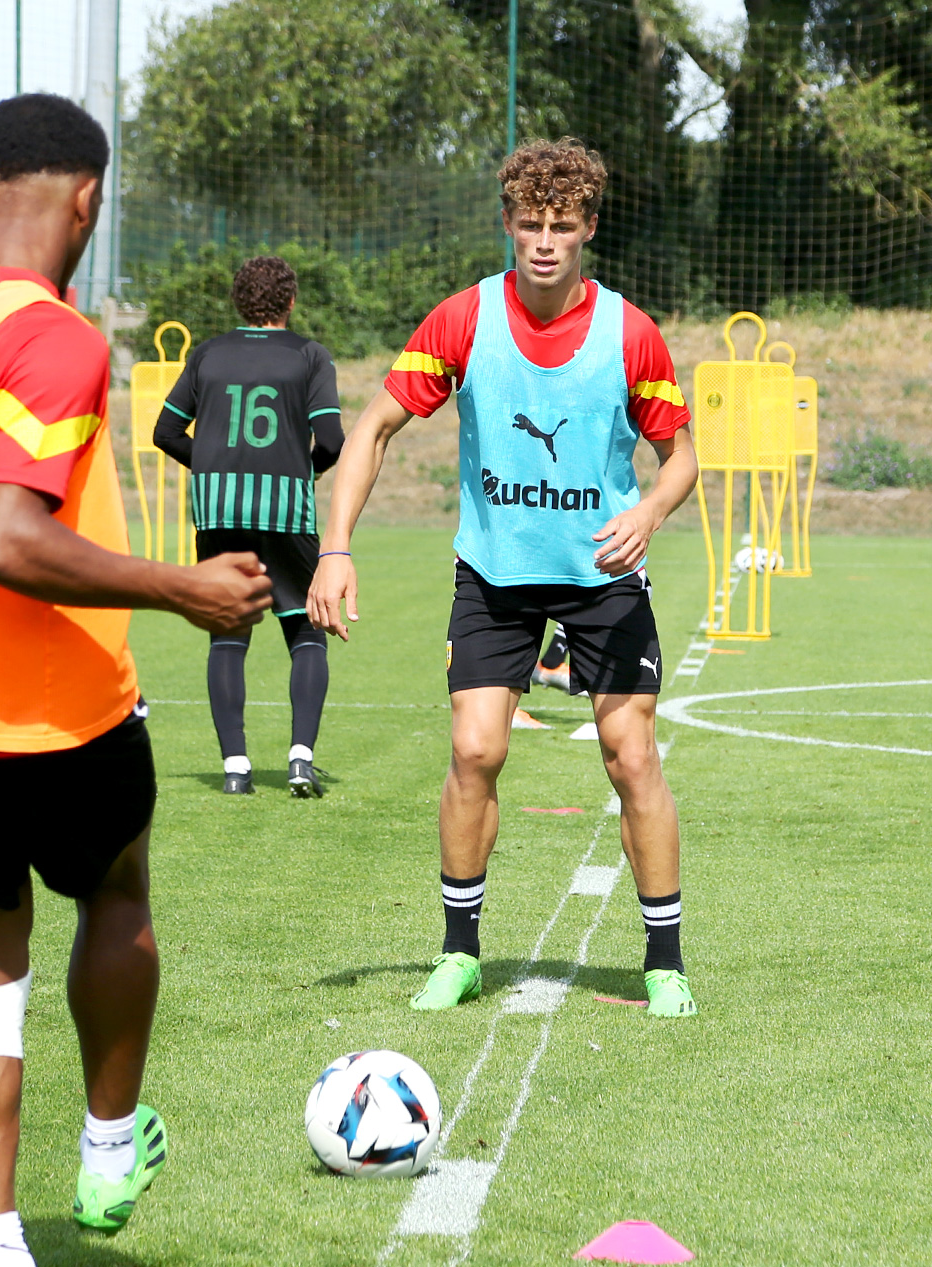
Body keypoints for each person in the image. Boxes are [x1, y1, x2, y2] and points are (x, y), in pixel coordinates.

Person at [0, 94, 271, 1267]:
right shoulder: (53, 334)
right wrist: (177, 586)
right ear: (89, 198)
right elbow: (6, 540)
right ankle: (105, 1138)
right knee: (117, 890)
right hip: (52, 708)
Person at [307, 138, 701, 1019]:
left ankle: (664, 959)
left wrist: (646, 514)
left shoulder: (629, 331)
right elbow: (371, 428)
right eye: (531, 223)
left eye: (564, 225)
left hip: (600, 573)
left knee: (631, 756)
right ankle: (458, 953)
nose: (546, 240)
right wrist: (335, 545)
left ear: (589, 229)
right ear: (508, 224)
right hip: (494, 572)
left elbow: (680, 460)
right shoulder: (463, 320)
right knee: (476, 749)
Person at [154, 256, 345, 797]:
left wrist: (214, 462)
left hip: (216, 511)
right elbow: (331, 440)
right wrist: (298, 470)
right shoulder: (310, 355)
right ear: (290, 302)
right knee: (306, 634)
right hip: (284, 510)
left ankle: (235, 768)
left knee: (227, 636)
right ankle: (300, 761)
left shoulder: (209, 353)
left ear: (240, 303)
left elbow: (166, 431)